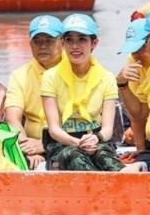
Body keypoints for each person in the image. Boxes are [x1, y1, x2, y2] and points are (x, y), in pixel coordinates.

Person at [40, 13, 140, 171]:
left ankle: (128, 183)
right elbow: (54, 129)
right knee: (75, 155)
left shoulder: (106, 78)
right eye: (69, 40)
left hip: (97, 141)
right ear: (62, 44)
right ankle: (101, 193)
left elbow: (107, 129)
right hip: (61, 145)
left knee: (104, 157)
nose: (75, 46)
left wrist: (96, 138)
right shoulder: (50, 77)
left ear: (94, 43)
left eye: (82, 39)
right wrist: (77, 143)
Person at [5, 15, 63, 169]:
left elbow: (83, 123)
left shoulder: (75, 71)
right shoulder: (20, 76)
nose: (42, 46)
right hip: (30, 144)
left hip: (67, 143)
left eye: (49, 40)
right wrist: (28, 148)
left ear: (62, 42)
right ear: (30, 44)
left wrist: (47, 145)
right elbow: (12, 119)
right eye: (37, 41)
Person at [117, 18, 150, 156]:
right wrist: (122, 84)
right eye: (133, 50)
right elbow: (139, 115)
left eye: (141, 48)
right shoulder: (135, 62)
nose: (137, 55)